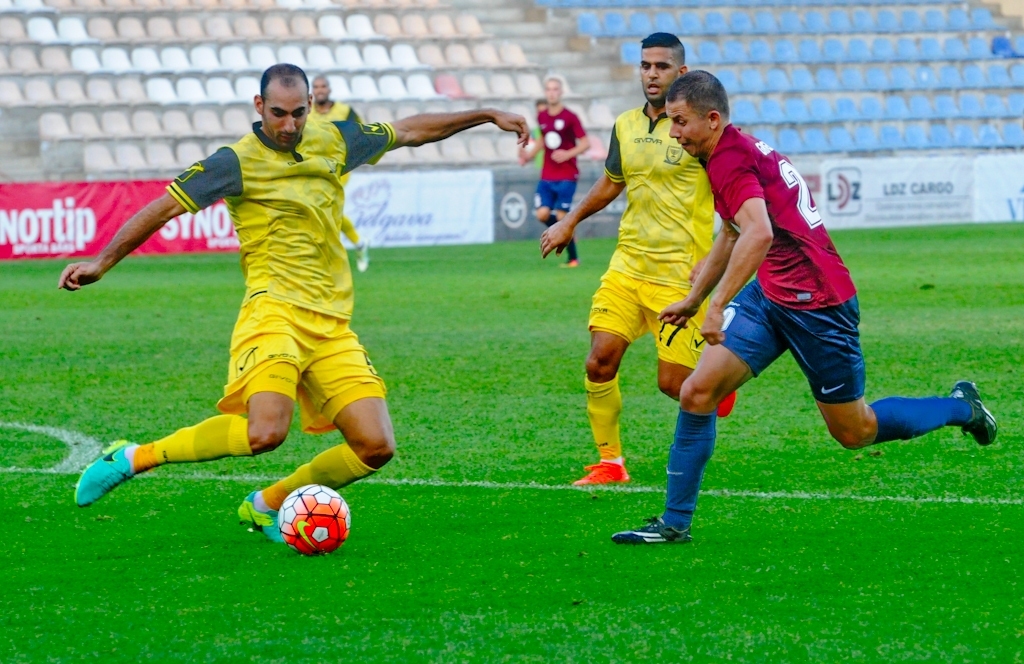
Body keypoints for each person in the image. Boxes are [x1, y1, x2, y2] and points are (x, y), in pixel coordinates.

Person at [61, 64, 529, 544]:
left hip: (330, 323)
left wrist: (487, 114)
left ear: (310, 106)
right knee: (266, 433)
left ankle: (266, 504)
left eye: (299, 113)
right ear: (259, 106)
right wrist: (103, 261)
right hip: (273, 312)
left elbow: (410, 131)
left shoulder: (334, 139)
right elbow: (164, 206)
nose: (289, 125)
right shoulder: (234, 162)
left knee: (374, 446)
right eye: (279, 113)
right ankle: (133, 457)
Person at [611, 70, 998, 544]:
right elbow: (734, 231)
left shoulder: (729, 160)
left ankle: (961, 408)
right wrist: (694, 300)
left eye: (680, 122)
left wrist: (715, 306)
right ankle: (674, 523)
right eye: (670, 122)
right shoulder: (726, 151)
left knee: (854, 431)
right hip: (772, 294)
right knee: (697, 392)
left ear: (712, 120)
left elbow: (759, 233)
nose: (674, 133)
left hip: (819, 303)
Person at [541, 34, 735, 486]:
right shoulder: (626, 125)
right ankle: (610, 463)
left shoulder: (700, 131)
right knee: (599, 361)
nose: (651, 74)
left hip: (679, 275)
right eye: (646, 65)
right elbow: (612, 181)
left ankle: (719, 384)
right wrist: (570, 222)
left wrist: (715, 266)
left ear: (681, 74)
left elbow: (732, 197)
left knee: (675, 385)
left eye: (662, 67)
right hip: (627, 266)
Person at [521, 75, 589, 268]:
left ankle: (573, 258)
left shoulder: (570, 117)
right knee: (542, 214)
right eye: (548, 89)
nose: (552, 93)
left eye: (555, 89)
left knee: (561, 217)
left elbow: (585, 143)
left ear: (560, 92)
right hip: (547, 175)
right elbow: (543, 141)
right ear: (546, 93)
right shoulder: (542, 116)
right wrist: (529, 155)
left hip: (567, 175)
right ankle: (567, 233)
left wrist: (568, 154)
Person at [310, 75, 370, 272]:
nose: (320, 90)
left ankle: (326, 253)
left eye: (323, 86)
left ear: (329, 89)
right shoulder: (307, 112)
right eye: (316, 87)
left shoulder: (344, 111)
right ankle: (359, 243)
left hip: (340, 167)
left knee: (324, 204)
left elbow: (361, 133)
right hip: (315, 167)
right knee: (327, 208)